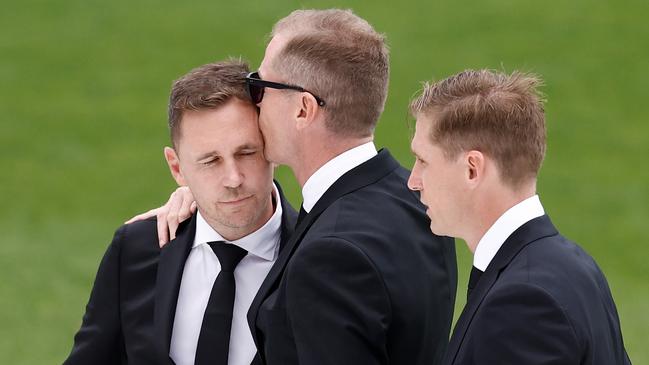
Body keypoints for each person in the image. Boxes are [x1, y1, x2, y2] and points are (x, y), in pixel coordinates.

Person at [145, 9, 457, 365]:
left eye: (260, 87)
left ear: (303, 110)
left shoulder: (329, 257)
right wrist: (199, 195)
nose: (254, 102)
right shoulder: (417, 201)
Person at [63, 60, 297, 365]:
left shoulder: (316, 256)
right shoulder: (137, 249)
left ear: (272, 148)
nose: (233, 179)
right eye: (210, 161)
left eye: (247, 152)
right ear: (177, 168)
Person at [407, 69, 631, 364]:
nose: (413, 180)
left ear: (472, 169)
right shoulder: (576, 267)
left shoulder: (523, 303)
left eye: (423, 160)